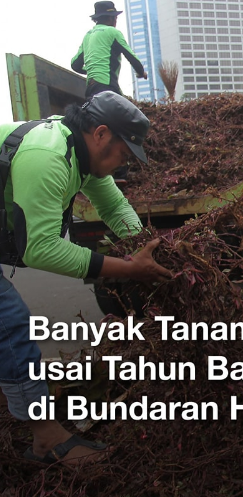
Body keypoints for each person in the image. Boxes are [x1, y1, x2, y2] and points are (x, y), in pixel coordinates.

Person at [0, 91, 172, 466]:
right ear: (101, 134)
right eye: (123, 154)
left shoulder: (80, 153)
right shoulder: (47, 157)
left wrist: (147, 249)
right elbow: (40, 248)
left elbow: (113, 206)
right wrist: (128, 268)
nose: (122, 165)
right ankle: (45, 440)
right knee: (9, 322)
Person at [71, 1, 148, 99]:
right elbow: (132, 57)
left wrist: (93, 69)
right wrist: (141, 72)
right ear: (111, 18)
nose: (116, 21)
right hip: (107, 87)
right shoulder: (113, 32)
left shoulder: (88, 35)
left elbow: (75, 65)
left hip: (91, 88)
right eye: (116, 18)